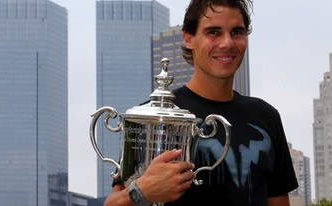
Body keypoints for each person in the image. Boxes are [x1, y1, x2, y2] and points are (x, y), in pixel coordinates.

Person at [104, 0, 298, 205]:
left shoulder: (265, 116)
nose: (227, 43)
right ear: (188, 38)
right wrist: (141, 191)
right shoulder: (154, 117)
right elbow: (113, 202)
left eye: (237, 32)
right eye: (213, 32)